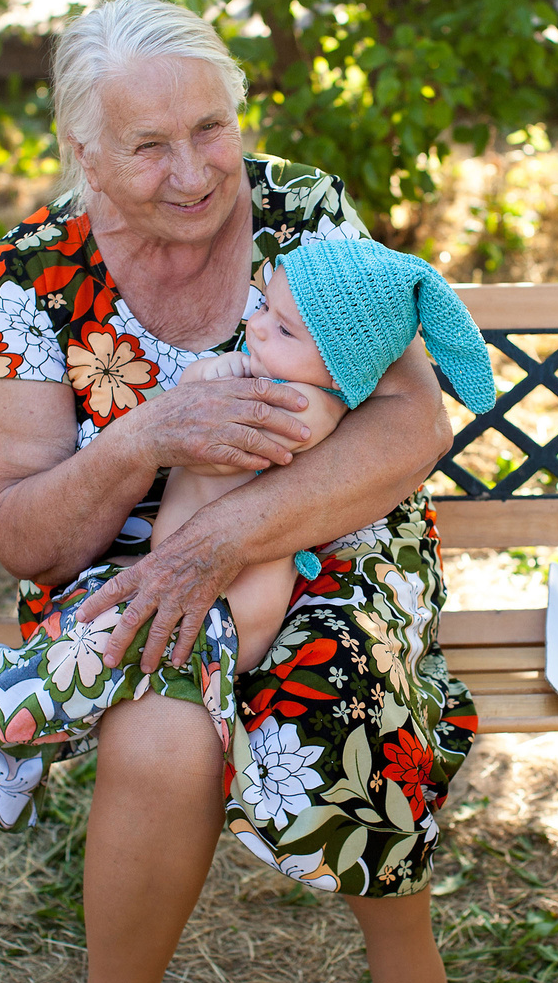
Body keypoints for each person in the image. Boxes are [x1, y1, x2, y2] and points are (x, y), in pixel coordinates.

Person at [0, 0, 495, 983]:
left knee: (337, 681)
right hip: (125, 565)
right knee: (156, 730)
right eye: (150, 146)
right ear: (81, 152)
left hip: (330, 534)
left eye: (210, 128)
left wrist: (230, 537)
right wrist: (145, 434)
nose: (196, 172)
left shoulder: (302, 210)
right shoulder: (31, 278)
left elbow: (408, 421)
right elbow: (22, 537)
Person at [150, 237, 495, 672]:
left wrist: (195, 396)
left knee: (153, 666)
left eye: (284, 329)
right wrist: (205, 379)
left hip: (237, 604)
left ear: (337, 367)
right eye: (263, 308)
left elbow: (209, 453)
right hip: (186, 579)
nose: (255, 327)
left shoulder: (306, 407)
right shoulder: (269, 374)